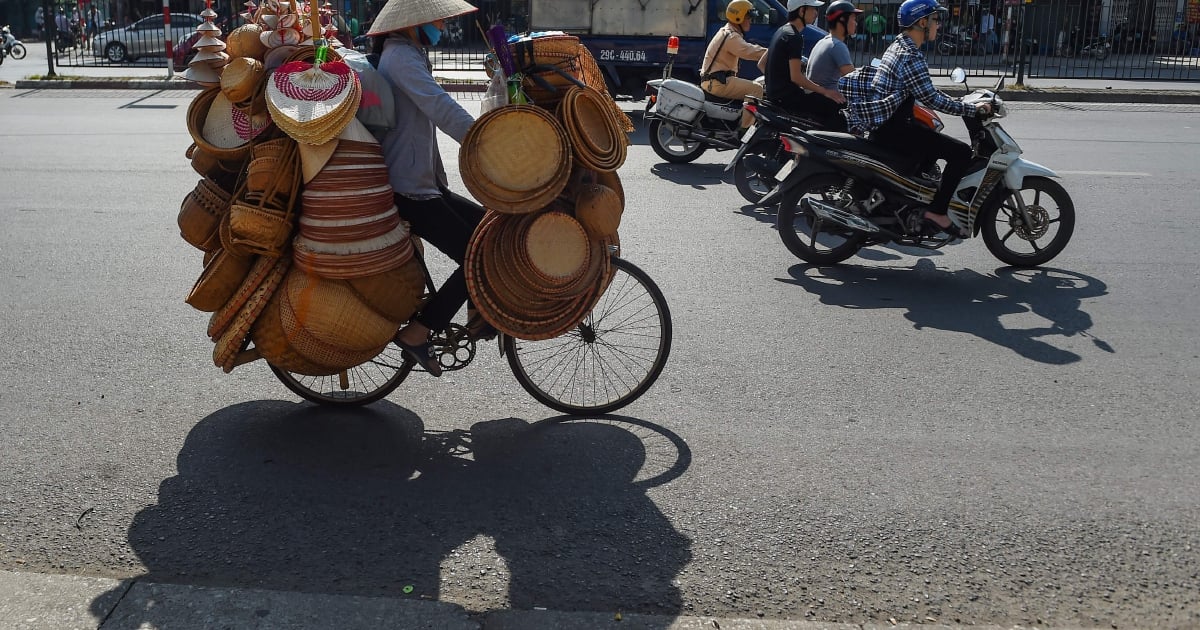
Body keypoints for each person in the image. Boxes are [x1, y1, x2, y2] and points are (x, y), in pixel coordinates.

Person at [369, 0, 493, 376]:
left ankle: (477, 310)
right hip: (408, 191)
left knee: (490, 228)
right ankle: (418, 333)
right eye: (436, 19)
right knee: (478, 257)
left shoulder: (408, 53)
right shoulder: (401, 58)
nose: (440, 24)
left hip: (422, 184)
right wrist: (486, 143)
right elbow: (440, 108)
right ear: (415, 23)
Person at [841, 0, 991, 237]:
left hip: (886, 126)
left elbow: (926, 90)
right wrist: (972, 110)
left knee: (931, 148)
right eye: (935, 20)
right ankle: (938, 212)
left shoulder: (898, 45)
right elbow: (931, 98)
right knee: (961, 152)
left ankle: (911, 205)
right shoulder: (911, 55)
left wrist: (961, 103)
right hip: (894, 130)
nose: (938, 25)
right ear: (923, 22)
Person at [764, 0, 845, 125]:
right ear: (802, 11)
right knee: (837, 106)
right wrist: (825, 91)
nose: (816, 13)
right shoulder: (794, 37)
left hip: (774, 96)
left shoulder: (781, 31)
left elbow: (761, 63)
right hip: (788, 99)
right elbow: (796, 77)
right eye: (813, 9)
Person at [699, 0, 768, 130]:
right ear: (738, 17)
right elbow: (750, 51)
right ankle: (745, 129)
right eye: (748, 18)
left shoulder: (729, 32)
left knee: (758, 85)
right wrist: (773, 52)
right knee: (756, 89)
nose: (750, 21)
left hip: (717, 81)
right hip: (718, 83)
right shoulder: (731, 36)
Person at [804, 0, 863, 128]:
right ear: (842, 20)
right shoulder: (837, 46)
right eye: (853, 19)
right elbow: (854, 79)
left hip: (816, 99)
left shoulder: (824, 41)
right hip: (828, 103)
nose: (856, 23)